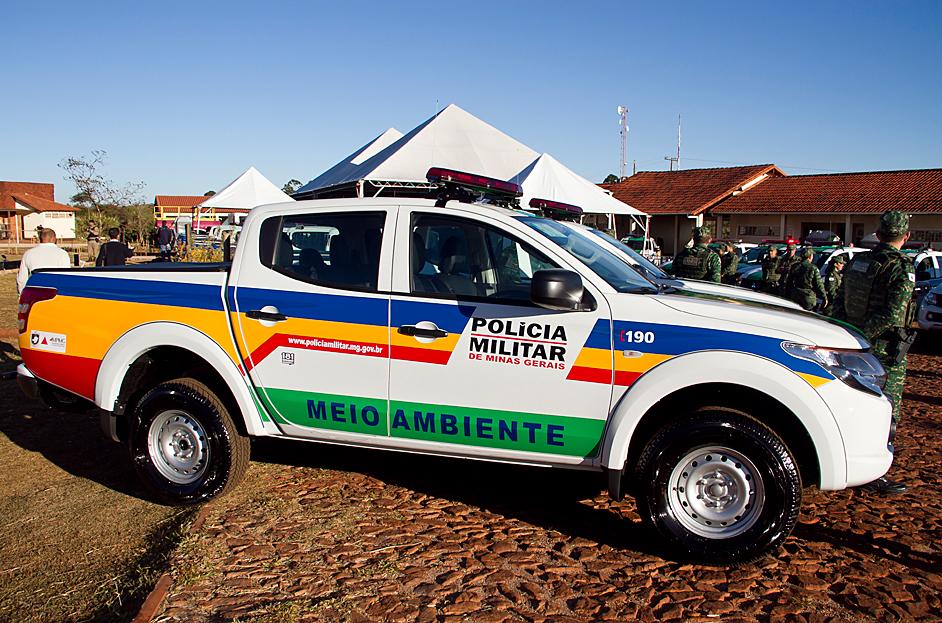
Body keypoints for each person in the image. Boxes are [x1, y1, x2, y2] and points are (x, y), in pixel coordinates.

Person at [832, 210, 915, 495]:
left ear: (878, 235)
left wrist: (848, 334)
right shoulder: (901, 268)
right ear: (906, 237)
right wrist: (865, 336)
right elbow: (892, 315)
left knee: (853, 404)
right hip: (883, 350)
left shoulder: (858, 261)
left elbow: (838, 304)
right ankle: (872, 472)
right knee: (885, 412)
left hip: (849, 342)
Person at [17, 228, 71, 294]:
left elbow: (22, 279)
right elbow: (66, 278)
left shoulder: (28, 254)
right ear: (54, 238)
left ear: (40, 239)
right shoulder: (63, 254)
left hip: (34, 294)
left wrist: (22, 295)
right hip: (55, 294)